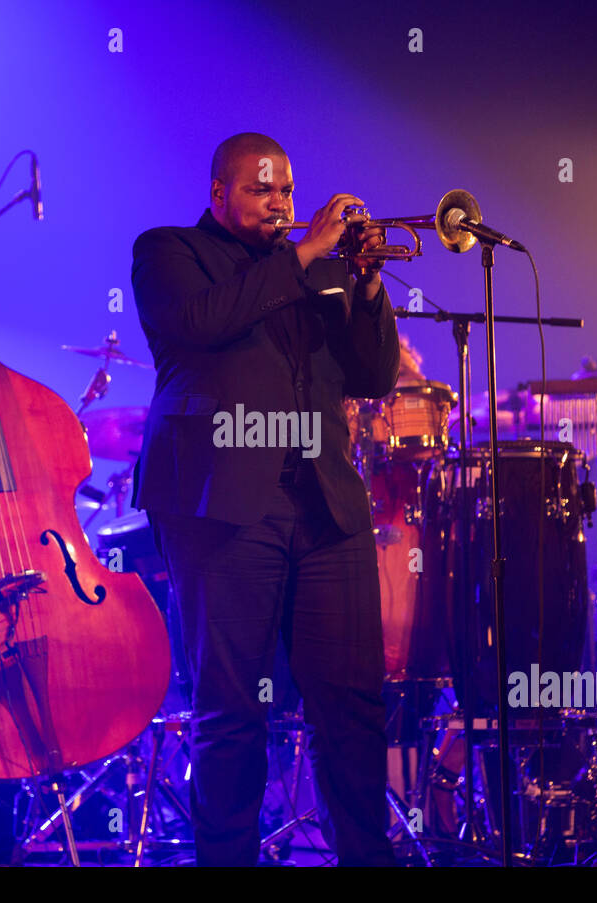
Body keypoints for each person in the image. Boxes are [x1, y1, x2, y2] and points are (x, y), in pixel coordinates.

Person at [131, 133, 399, 865]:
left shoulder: (314, 269)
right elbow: (201, 323)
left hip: (324, 503)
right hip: (221, 504)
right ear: (219, 192)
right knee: (231, 713)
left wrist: (369, 287)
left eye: (286, 190)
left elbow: (371, 376)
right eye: (262, 189)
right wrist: (307, 252)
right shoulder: (169, 251)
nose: (279, 203)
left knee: (351, 707)